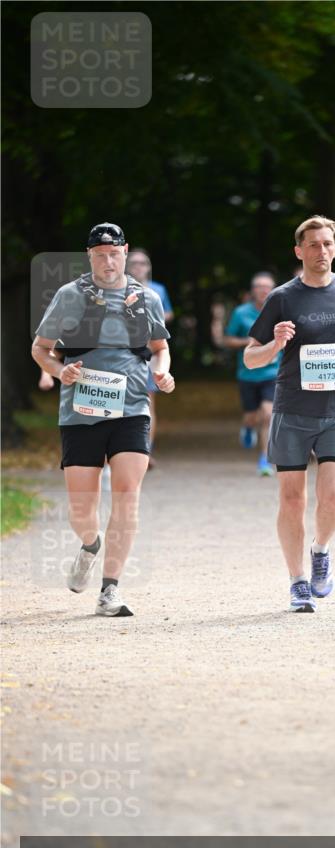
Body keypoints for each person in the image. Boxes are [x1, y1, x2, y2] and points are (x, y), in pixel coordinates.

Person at [31, 222, 175, 617]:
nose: (108, 261)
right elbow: (41, 348)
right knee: (82, 510)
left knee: (127, 495)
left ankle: (110, 589)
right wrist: (59, 371)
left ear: (125, 252)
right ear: (89, 256)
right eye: (100, 255)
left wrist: (162, 372)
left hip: (132, 409)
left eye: (114, 254)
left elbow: (160, 348)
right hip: (81, 411)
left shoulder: (145, 298)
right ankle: (90, 544)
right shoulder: (70, 295)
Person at [244, 215, 335, 611]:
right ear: (299, 251)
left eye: (328, 243)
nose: (322, 251)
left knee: (333, 497)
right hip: (294, 411)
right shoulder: (283, 297)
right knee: (292, 500)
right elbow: (250, 358)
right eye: (314, 245)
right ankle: (297, 581)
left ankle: (320, 550)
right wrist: (275, 344)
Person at [222, 272, 278, 476]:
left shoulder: (280, 311)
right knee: (251, 417)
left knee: (268, 414)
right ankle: (247, 427)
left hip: (272, 372)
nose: (263, 290)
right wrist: (250, 343)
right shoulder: (241, 313)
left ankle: (264, 459)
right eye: (259, 286)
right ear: (253, 290)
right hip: (248, 373)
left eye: (267, 287)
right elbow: (227, 339)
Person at [126, 248, 175, 466]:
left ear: (149, 267)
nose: (139, 267)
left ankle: (146, 450)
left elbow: (168, 313)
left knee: (147, 402)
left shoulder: (158, 290)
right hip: (123, 355)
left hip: (149, 353)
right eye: (134, 263)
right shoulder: (117, 289)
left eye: (143, 263)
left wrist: (152, 316)